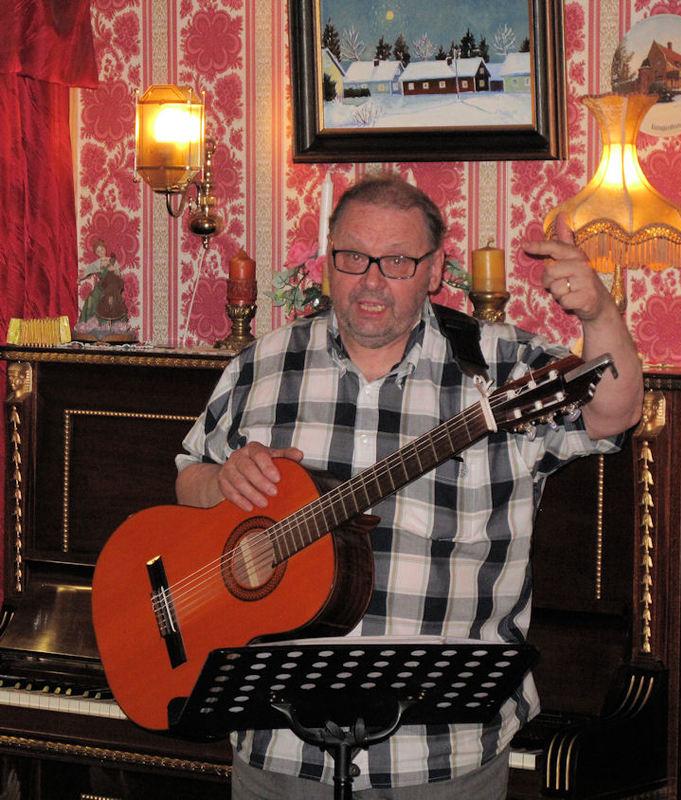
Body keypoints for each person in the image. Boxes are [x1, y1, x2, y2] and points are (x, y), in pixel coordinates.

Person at [175, 175, 643, 799]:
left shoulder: (499, 366)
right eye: (352, 257)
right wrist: (219, 481)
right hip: (277, 751)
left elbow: (614, 413)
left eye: (397, 261)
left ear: (435, 271)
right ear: (327, 261)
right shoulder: (262, 364)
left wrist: (598, 314)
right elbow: (189, 478)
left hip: (443, 757)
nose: (371, 280)